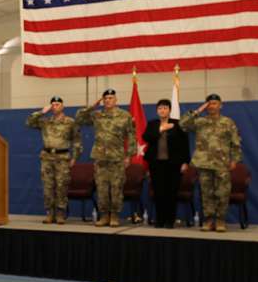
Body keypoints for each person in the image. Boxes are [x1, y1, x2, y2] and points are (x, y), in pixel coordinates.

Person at [180, 94, 242, 233]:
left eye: (215, 103)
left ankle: (220, 220)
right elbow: (182, 124)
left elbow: (236, 143)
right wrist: (197, 111)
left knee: (222, 193)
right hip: (204, 163)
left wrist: (234, 160)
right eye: (209, 104)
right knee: (206, 193)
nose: (212, 106)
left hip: (222, 163)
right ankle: (208, 220)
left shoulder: (228, 122)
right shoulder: (200, 121)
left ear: (221, 105)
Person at [76, 89, 137, 227]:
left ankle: (114, 216)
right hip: (100, 158)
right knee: (102, 188)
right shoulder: (97, 115)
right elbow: (79, 118)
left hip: (117, 158)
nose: (108, 100)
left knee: (116, 188)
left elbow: (132, 136)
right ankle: (104, 216)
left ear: (116, 100)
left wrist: (129, 156)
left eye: (111, 98)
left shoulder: (125, 116)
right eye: (106, 98)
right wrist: (92, 106)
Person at [26, 96, 81, 224]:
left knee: (61, 186)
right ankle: (50, 213)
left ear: (63, 106)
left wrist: (75, 157)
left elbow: (77, 141)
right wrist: (41, 112)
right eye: (53, 104)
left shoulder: (70, 122)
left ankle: (60, 213)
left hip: (63, 158)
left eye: (58, 104)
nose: (55, 106)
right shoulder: (45, 122)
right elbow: (29, 122)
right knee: (48, 187)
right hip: (47, 158)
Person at [142, 99, 190, 229]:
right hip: (156, 164)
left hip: (173, 164)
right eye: (160, 108)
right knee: (159, 192)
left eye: (165, 108)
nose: (162, 110)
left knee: (171, 192)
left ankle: (170, 220)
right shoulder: (152, 124)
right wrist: (161, 129)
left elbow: (184, 144)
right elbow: (146, 137)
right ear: (157, 111)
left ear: (169, 110)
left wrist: (185, 162)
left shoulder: (177, 124)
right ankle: (160, 220)